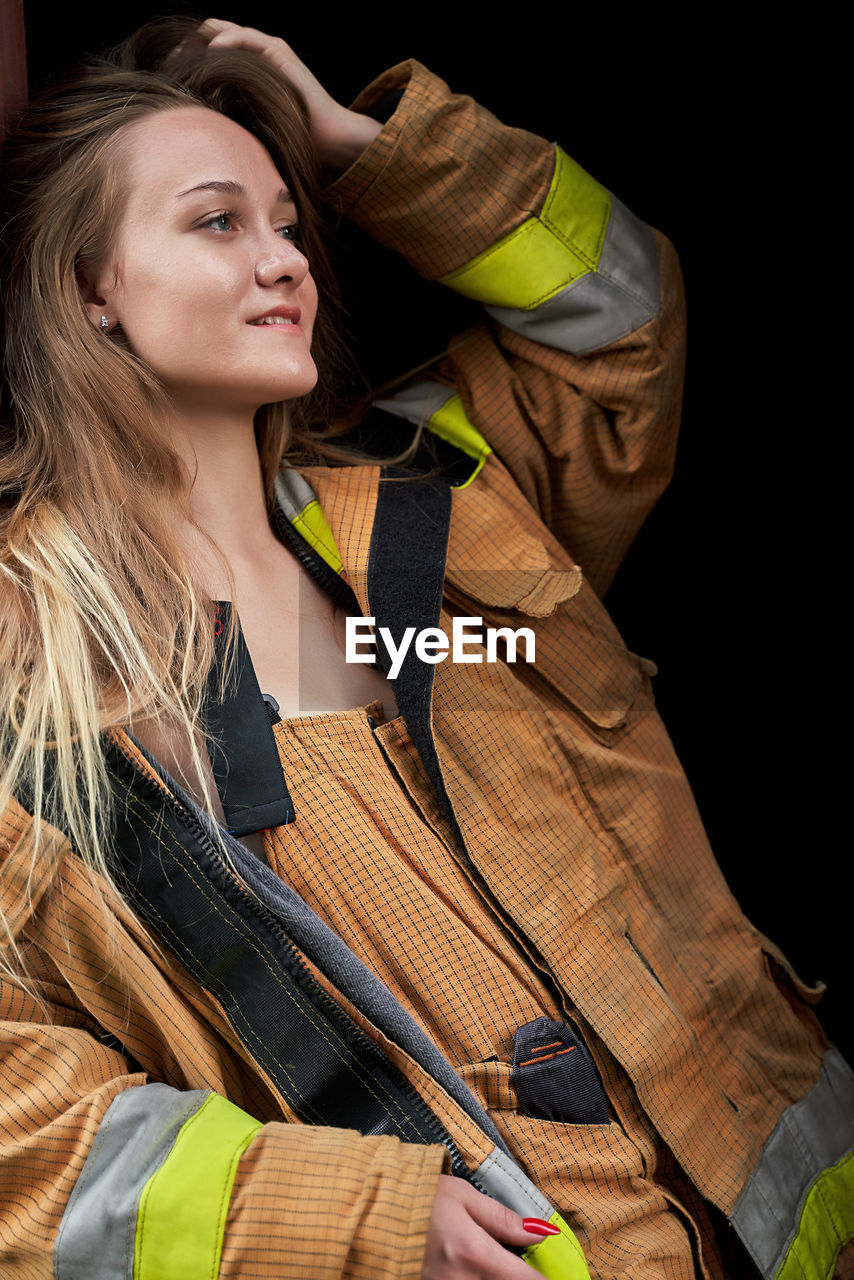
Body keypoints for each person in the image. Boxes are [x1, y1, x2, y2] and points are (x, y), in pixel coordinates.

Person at [0, 15, 851, 1280]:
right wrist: (365, 1223)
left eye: (288, 222)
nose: (283, 257)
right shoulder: (35, 668)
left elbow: (623, 324)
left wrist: (373, 147)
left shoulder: (437, 495)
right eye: (217, 222)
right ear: (88, 290)